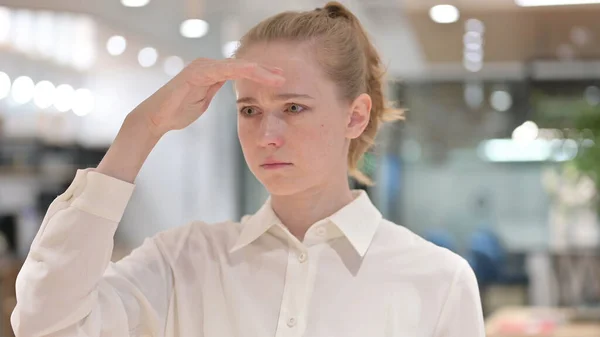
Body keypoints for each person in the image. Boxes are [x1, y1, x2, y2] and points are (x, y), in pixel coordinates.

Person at [11, 2, 485, 336]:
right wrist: (143, 128)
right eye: (249, 110)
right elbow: (46, 325)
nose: (266, 135)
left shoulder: (437, 280)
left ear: (355, 116)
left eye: (294, 107)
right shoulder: (184, 261)